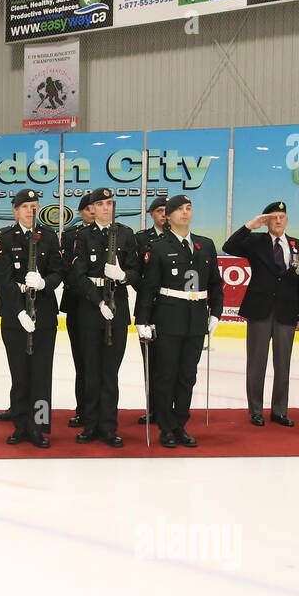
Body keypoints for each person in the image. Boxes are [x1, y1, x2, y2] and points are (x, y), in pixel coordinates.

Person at [135, 194, 223, 449]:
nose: (185, 212)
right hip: (168, 319)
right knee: (166, 376)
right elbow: (148, 288)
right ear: (169, 216)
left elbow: (216, 284)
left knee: (187, 376)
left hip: (196, 321)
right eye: (179, 209)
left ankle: (180, 424)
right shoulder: (159, 247)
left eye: (189, 208)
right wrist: (142, 320)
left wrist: (215, 313)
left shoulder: (204, 246)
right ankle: (165, 427)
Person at [223, 200, 299, 427]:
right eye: (273, 217)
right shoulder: (255, 241)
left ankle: (280, 411)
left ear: (287, 219)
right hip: (260, 310)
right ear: (266, 221)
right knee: (256, 363)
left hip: (287, 312)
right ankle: (256, 411)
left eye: (282, 216)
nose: (278, 220)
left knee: (283, 364)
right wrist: (250, 226)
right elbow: (228, 247)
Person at [0, 188, 65, 449]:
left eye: (34, 205)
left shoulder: (49, 236)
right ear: (15, 210)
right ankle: (21, 426)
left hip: (43, 314)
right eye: (25, 206)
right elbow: (0, 279)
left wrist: (45, 283)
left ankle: (39, 426)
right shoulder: (5, 238)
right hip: (15, 316)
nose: (30, 210)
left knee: (42, 374)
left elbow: (58, 271)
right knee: (20, 373)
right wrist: (19, 311)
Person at [68, 187, 140, 447]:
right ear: (93, 209)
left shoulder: (125, 234)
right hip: (91, 308)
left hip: (118, 306)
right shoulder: (83, 236)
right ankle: (90, 425)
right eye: (100, 204)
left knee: (111, 371)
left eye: (110, 203)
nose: (106, 208)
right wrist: (97, 301)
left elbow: (136, 271)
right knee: (91, 369)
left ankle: (109, 427)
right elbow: (77, 274)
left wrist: (123, 276)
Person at [134, 195, 170, 425]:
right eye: (159, 211)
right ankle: (153, 409)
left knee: (171, 362)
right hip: (147, 308)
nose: (164, 215)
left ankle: (171, 408)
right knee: (151, 361)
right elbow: (134, 271)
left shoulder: (181, 239)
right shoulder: (140, 240)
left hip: (173, 307)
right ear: (151, 214)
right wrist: (148, 292)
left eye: (168, 211)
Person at [61, 195, 95, 427]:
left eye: (100, 206)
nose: (94, 211)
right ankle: (83, 409)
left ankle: (101, 411)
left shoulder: (117, 234)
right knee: (82, 361)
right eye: (90, 208)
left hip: (105, 306)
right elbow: (65, 268)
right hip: (77, 304)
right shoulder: (70, 236)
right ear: (81, 212)